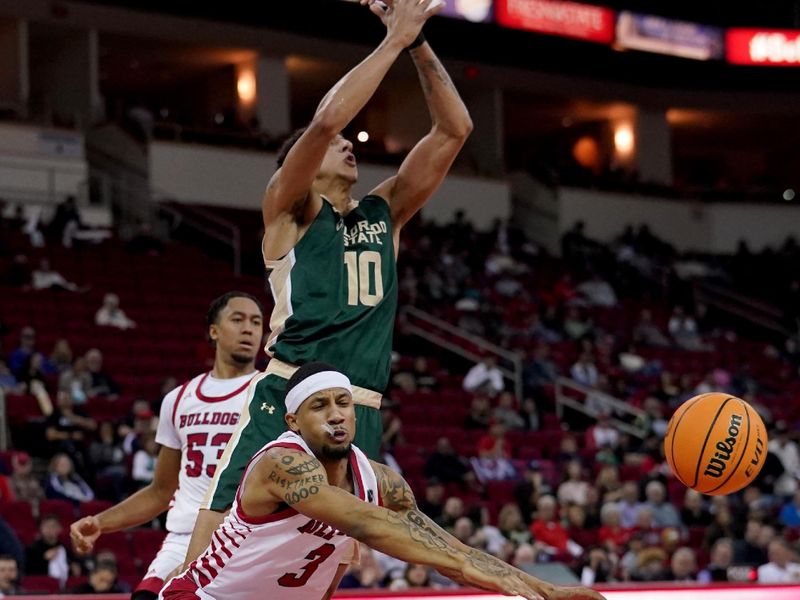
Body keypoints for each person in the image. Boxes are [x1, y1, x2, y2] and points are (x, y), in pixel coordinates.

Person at [186, 0, 474, 572]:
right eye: (336, 145)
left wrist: (416, 40)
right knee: (219, 531)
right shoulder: (288, 211)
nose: (349, 144)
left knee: (330, 558)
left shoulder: (383, 212)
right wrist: (391, 41)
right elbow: (323, 123)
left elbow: (455, 129)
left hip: (360, 403)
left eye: (351, 143)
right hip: (289, 395)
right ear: (300, 161)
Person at [160, 362, 603, 600]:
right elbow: (368, 525)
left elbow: (451, 552)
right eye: (320, 406)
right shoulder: (281, 463)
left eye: (343, 402)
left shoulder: (382, 481)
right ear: (293, 420)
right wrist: (467, 567)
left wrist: (545, 590)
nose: (336, 414)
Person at [70, 292, 264, 600]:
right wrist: (101, 522)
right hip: (183, 536)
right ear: (214, 331)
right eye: (238, 319)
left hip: (242, 539)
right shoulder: (178, 400)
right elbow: (161, 491)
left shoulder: (269, 395)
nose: (249, 329)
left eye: (256, 322)